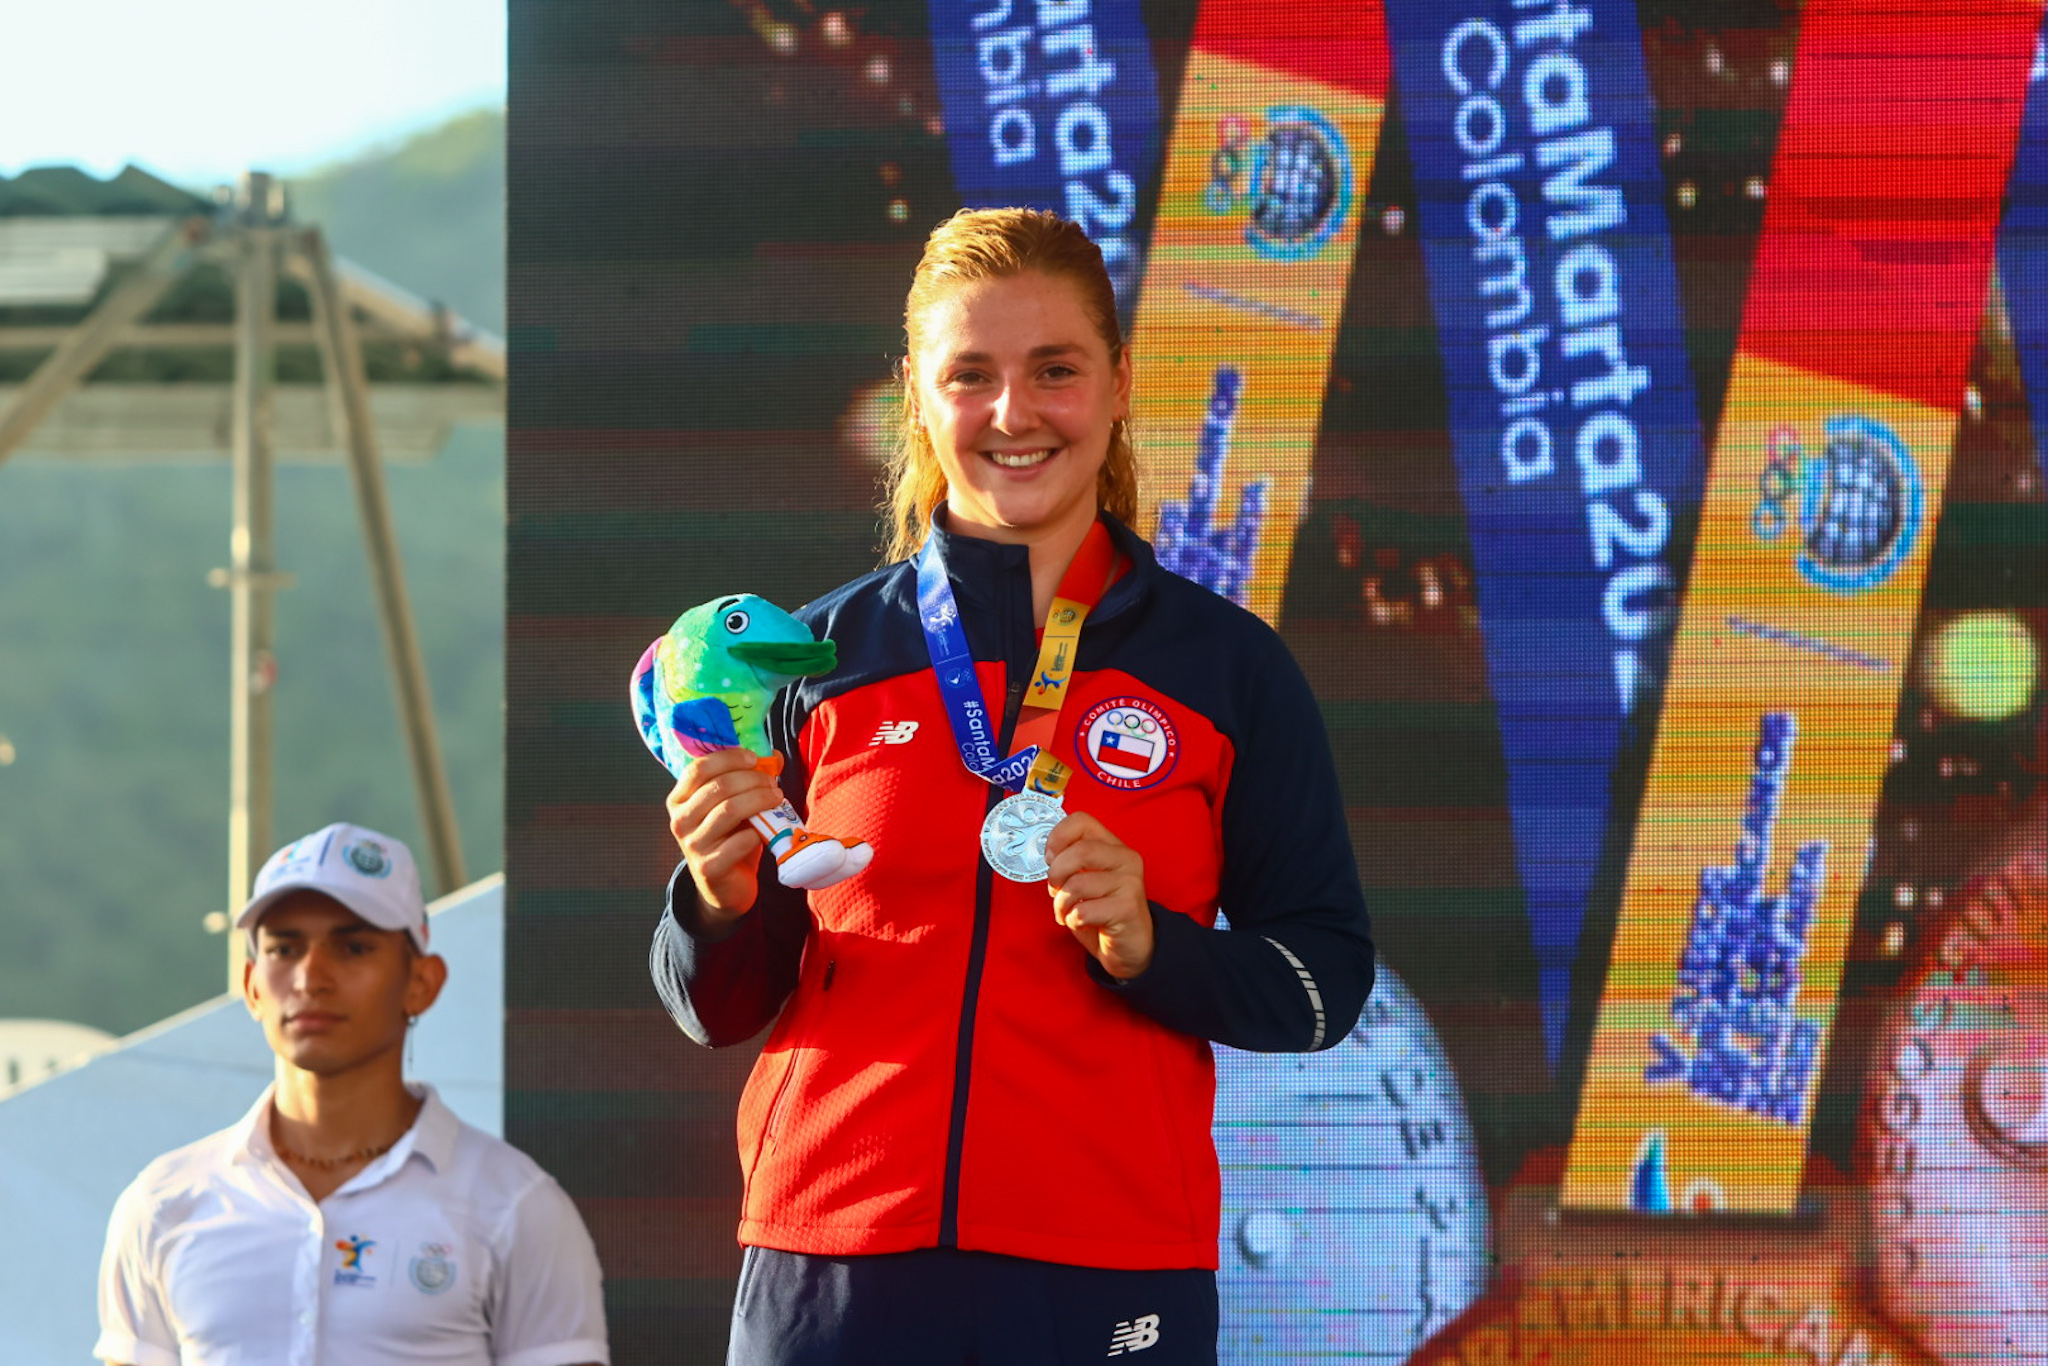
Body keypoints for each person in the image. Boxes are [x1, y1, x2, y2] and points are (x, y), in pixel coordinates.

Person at [653, 207, 1375, 1365]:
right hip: (831, 1262)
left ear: (1118, 381)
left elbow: (1322, 982)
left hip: (1108, 1264)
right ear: (917, 396)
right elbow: (715, 1006)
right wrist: (716, 895)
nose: (1012, 412)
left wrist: (1155, 945)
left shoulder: (1228, 669)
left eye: (1054, 370)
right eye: (970, 374)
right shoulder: (812, 658)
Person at [95, 822, 610, 1366]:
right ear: (250, 986)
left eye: (354, 946)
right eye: (284, 948)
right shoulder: (163, 1203)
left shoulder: (516, 1205)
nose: (310, 976)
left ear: (423, 982)